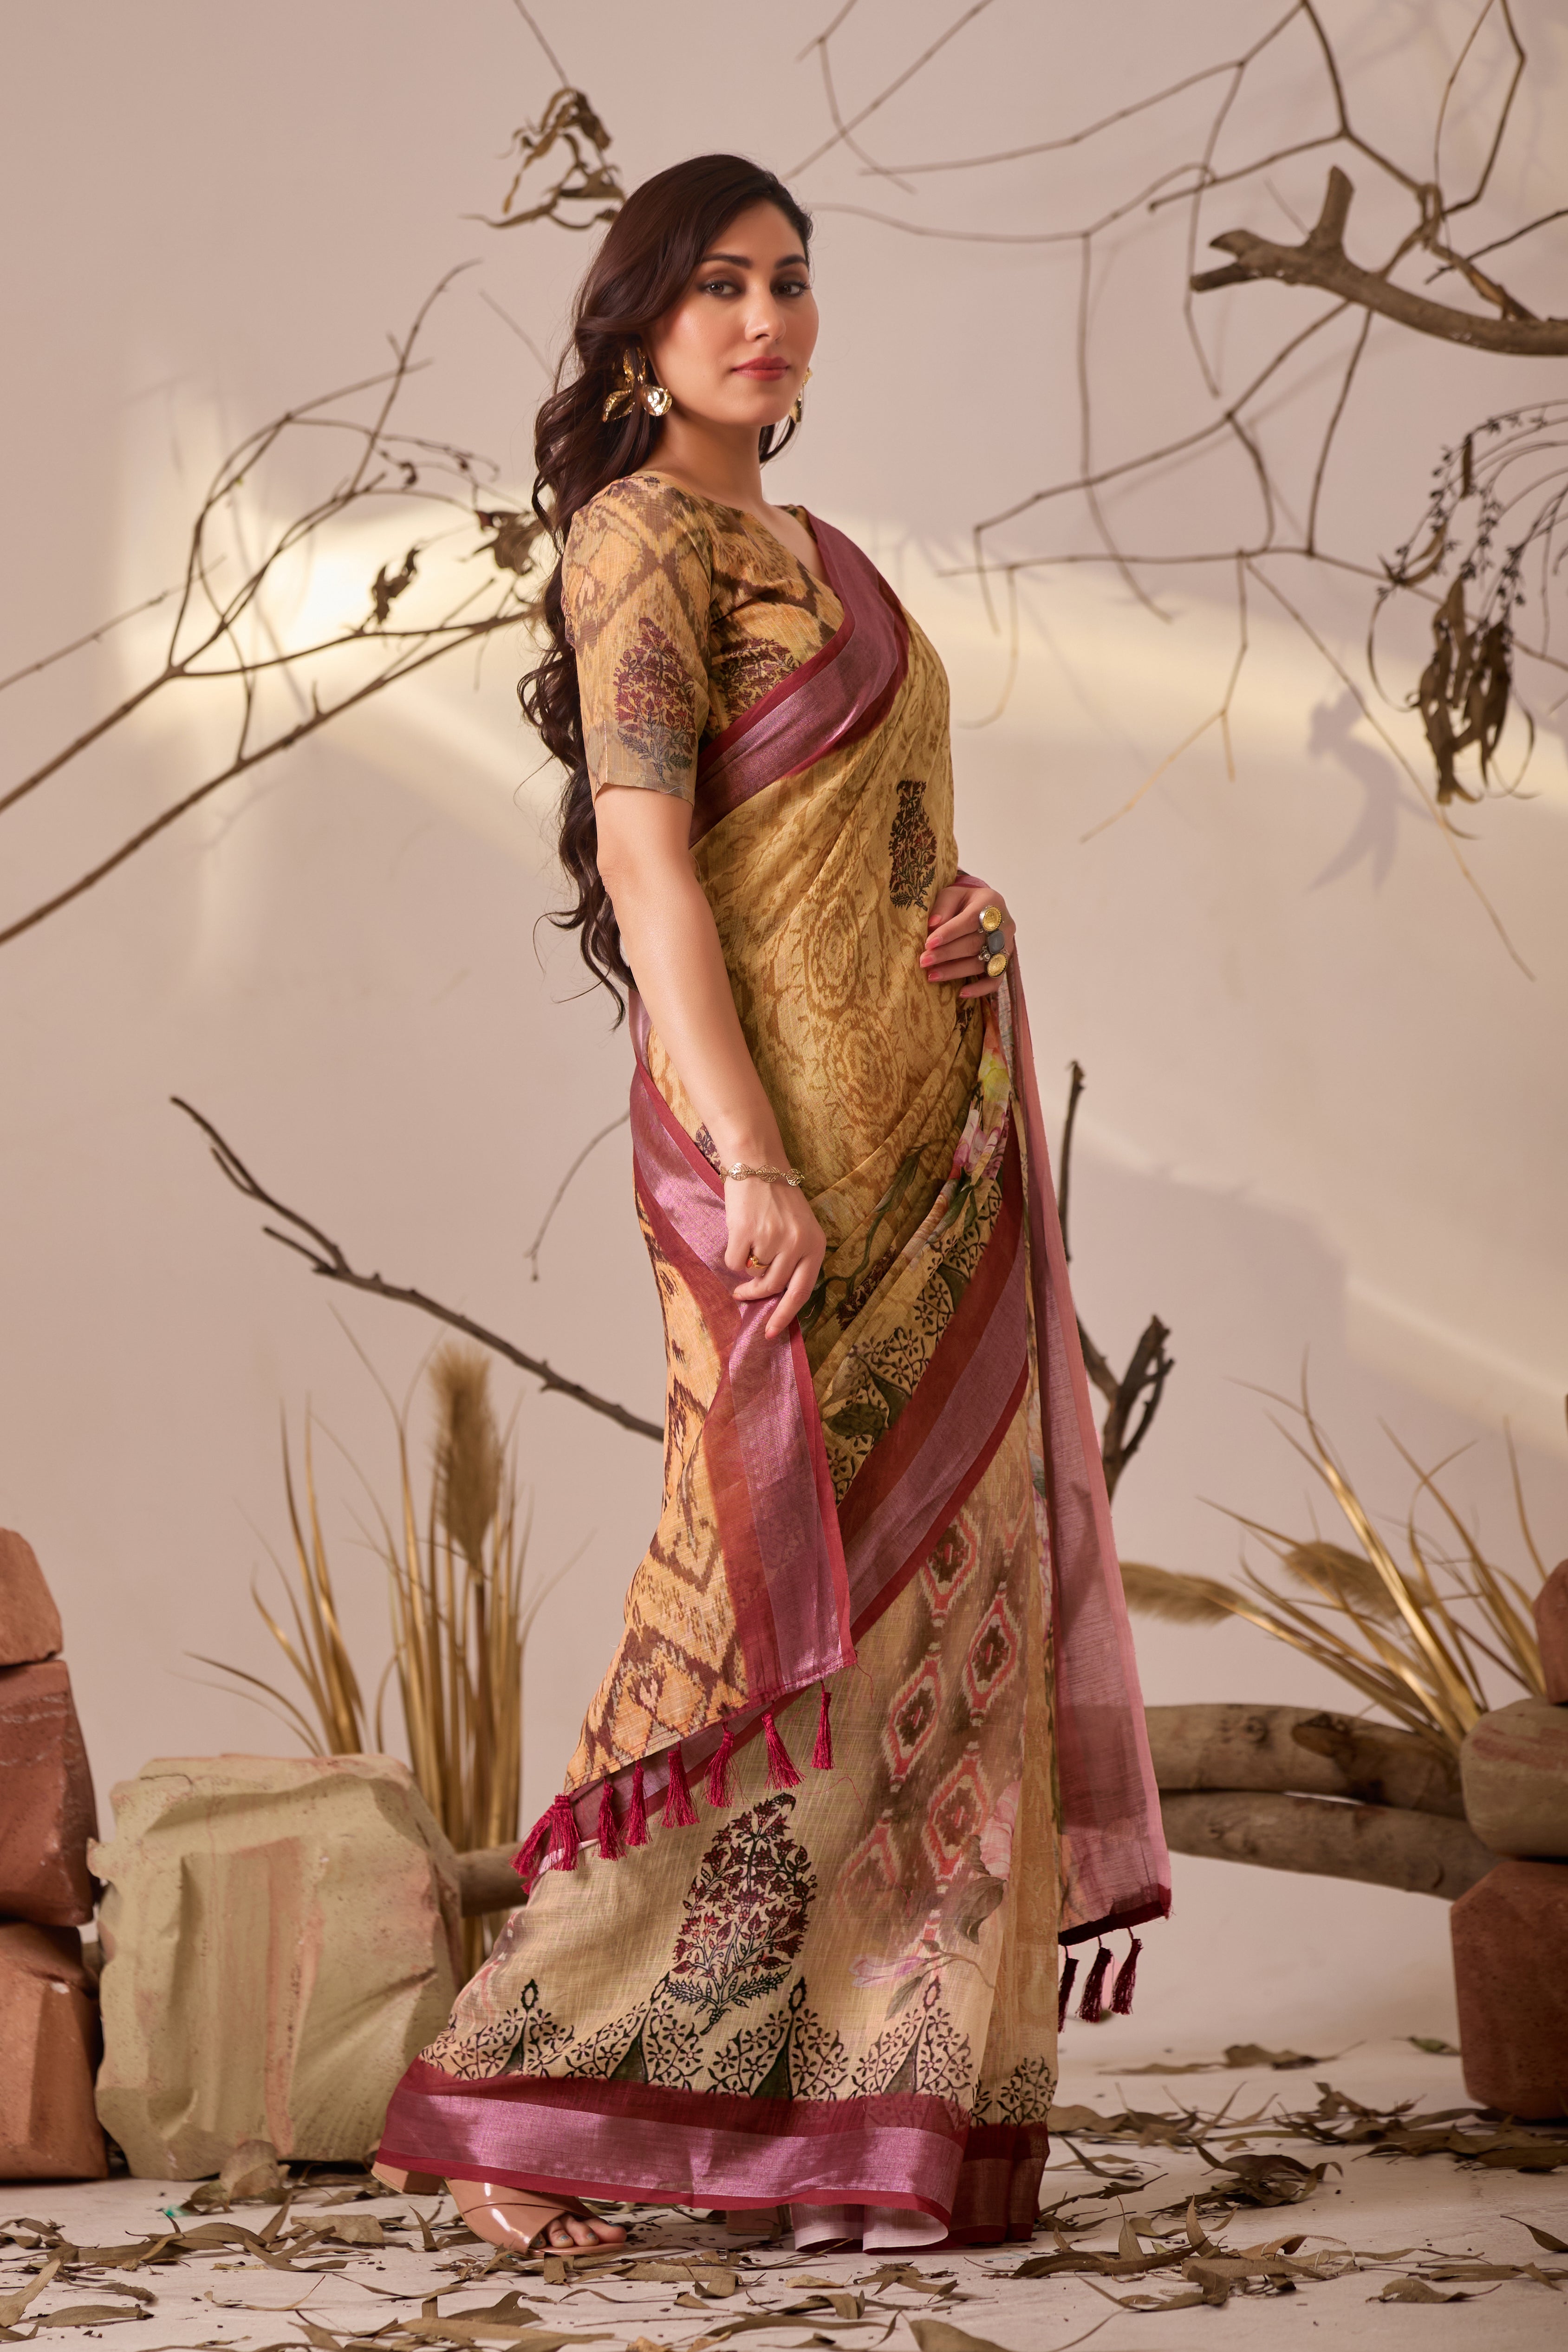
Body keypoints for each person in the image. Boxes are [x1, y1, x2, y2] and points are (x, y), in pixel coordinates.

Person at [376, 152, 1168, 2256]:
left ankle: (863, 2122)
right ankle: (520, 2098)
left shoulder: (826, 555)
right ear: (641, 327)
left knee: (940, 1636)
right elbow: (652, 866)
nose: (763, 319)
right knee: (739, 1618)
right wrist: (747, 1157)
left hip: (930, 1152)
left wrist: (964, 914)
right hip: (772, 1163)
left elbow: (872, 835)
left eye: (790, 282)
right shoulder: (634, 538)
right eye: (717, 284)